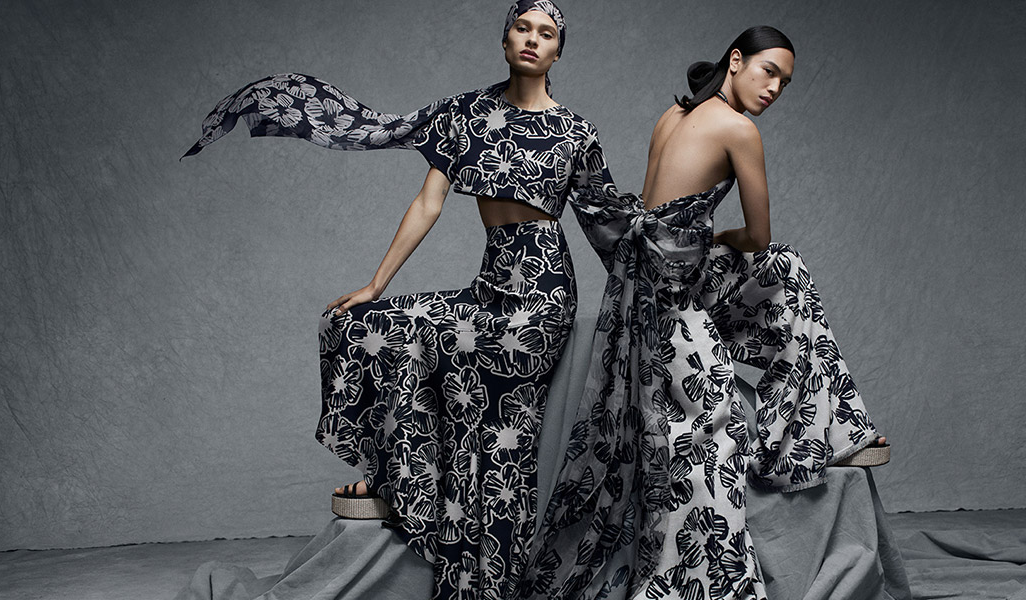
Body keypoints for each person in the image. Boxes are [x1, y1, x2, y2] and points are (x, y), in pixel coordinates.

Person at [183, 2, 611, 597]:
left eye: (547, 34)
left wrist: (653, 285)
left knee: (498, 427)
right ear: (504, 39)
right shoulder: (467, 113)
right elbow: (428, 204)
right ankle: (399, 478)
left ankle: (485, 570)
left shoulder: (576, 132)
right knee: (365, 326)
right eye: (522, 28)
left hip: (542, 296)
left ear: (558, 52)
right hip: (490, 284)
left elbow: (605, 221)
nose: (532, 40)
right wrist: (376, 285)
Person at [521, 26, 887, 599]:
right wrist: (719, 238)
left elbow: (654, 217)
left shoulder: (673, 115)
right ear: (736, 60)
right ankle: (806, 440)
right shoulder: (739, 130)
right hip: (669, 298)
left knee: (785, 273)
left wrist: (703, 245)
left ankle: (817, 430)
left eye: (785, 83)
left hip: (640, 284)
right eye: (768, 71)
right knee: (778, 283)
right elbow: (758, 237)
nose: (774, 89)